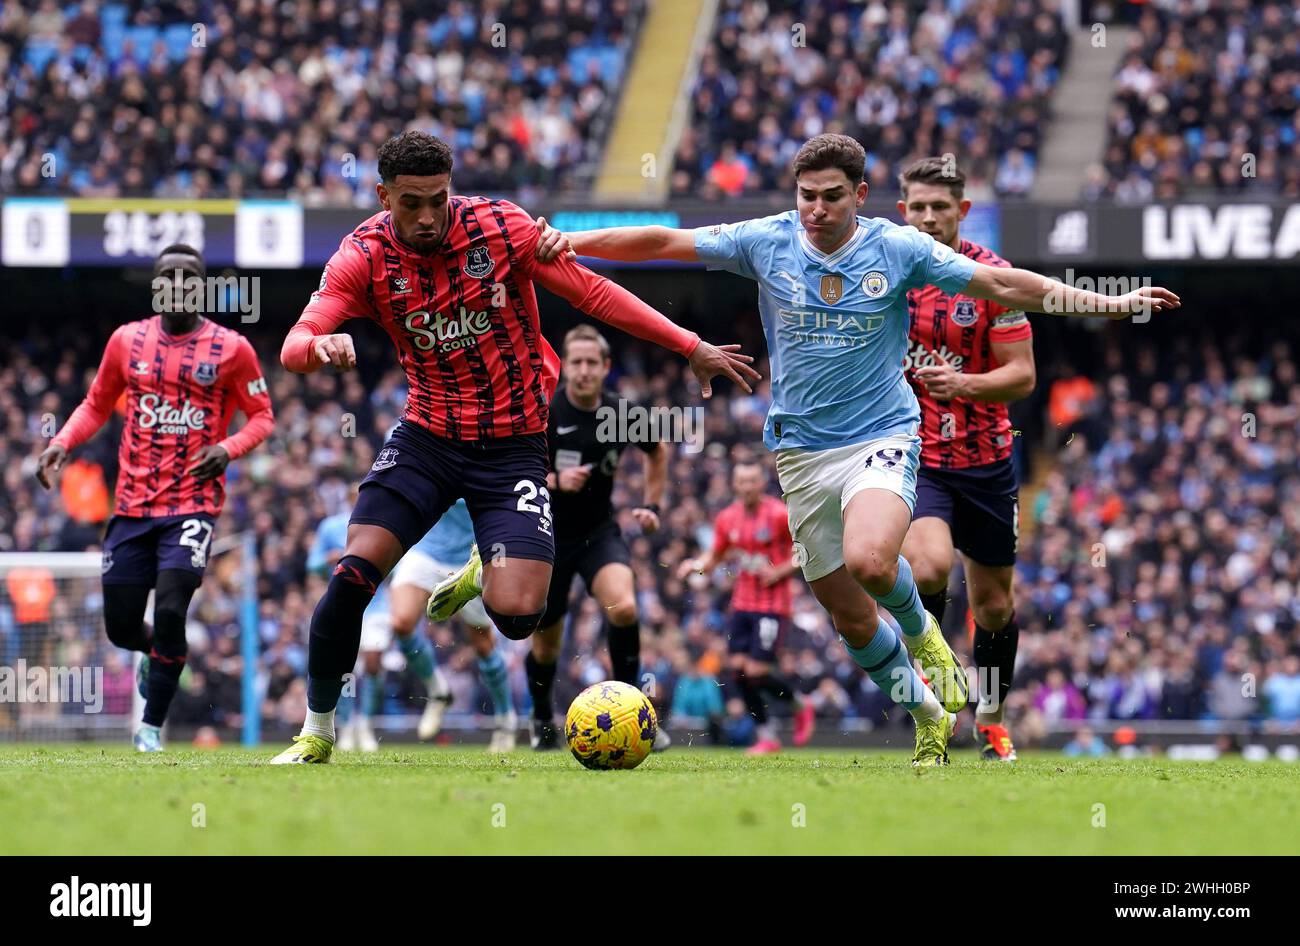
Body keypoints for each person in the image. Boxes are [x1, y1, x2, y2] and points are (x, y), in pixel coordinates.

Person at [534, 133, 1179, 765]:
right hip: (801, 453)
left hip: (882, 435)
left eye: (832, 198)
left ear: (861, 195)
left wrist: (1108, 301)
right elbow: (662, 241)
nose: (815, 210)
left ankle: (930, 642)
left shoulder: (897, 249)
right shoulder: (768, 239)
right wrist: (573, 243)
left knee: (871, 560)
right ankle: (929, 716)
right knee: (851, 618)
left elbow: (1004, 286)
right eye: (806, 196)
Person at [270, 130, 758, 763]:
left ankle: (482, 571)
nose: (426, 216)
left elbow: (593, 293)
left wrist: (690, 345)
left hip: (514, 445)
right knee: (353, 575)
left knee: (520, 616)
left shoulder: (500, 229)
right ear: (384, 195)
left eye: (437, 199)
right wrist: (319, 348)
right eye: (410, 203)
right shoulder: (361, 256)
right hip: (428, 437)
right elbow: (293, 343)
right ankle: (316, 731)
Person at [35, 244, 275, 752]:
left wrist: (227, 449)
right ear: (156, 285)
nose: (179, 282)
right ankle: (159, 654)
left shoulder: (231, 349)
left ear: (202, 287)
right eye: (168, 275)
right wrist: (61, 443)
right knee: (123, 628)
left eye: (189, 276)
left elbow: (262, 417)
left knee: (170, 610)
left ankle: (150, 729)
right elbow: (96, 404)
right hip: (132, 507)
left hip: (192, 505)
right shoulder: (127, 341)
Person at [896, 156, 1037, 762]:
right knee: (926, 569)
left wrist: (967, 387)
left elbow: (1023, 376)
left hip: (986, 458)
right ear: (902, 212)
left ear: (963, 211)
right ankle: (932, 699)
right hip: (917, 452)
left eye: (940, 207)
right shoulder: (888, 271)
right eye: (918, 208)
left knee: (994, 606)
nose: (928, 218)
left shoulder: (993, 277)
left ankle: (991, 717)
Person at [485, 324, 670, 752]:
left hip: (598, 532)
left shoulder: (622, 412)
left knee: (623, 606)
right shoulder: (544, 413)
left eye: (592, 363)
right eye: (576, 362)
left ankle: (637, 712)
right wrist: (553, 479)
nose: (584, 370)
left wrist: (653, 505)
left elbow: (657, 451)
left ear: (606, 367)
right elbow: (512, 471)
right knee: (547, 645)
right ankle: (539, 717)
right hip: (545, 536)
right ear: (565, 366)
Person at [676, 459, 814, 754]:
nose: (747, 486)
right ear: (735, 484)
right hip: (742, 604)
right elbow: (714, 557)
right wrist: (695, 565)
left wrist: (778, 572)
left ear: (761, 483)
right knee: (737, 671)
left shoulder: (778, 515)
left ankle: (799, 703)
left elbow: (805, 550)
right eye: (742, 481)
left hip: (772, 606)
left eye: (753, 480)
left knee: (755, 671)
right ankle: (767, 735)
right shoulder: (727, 519)